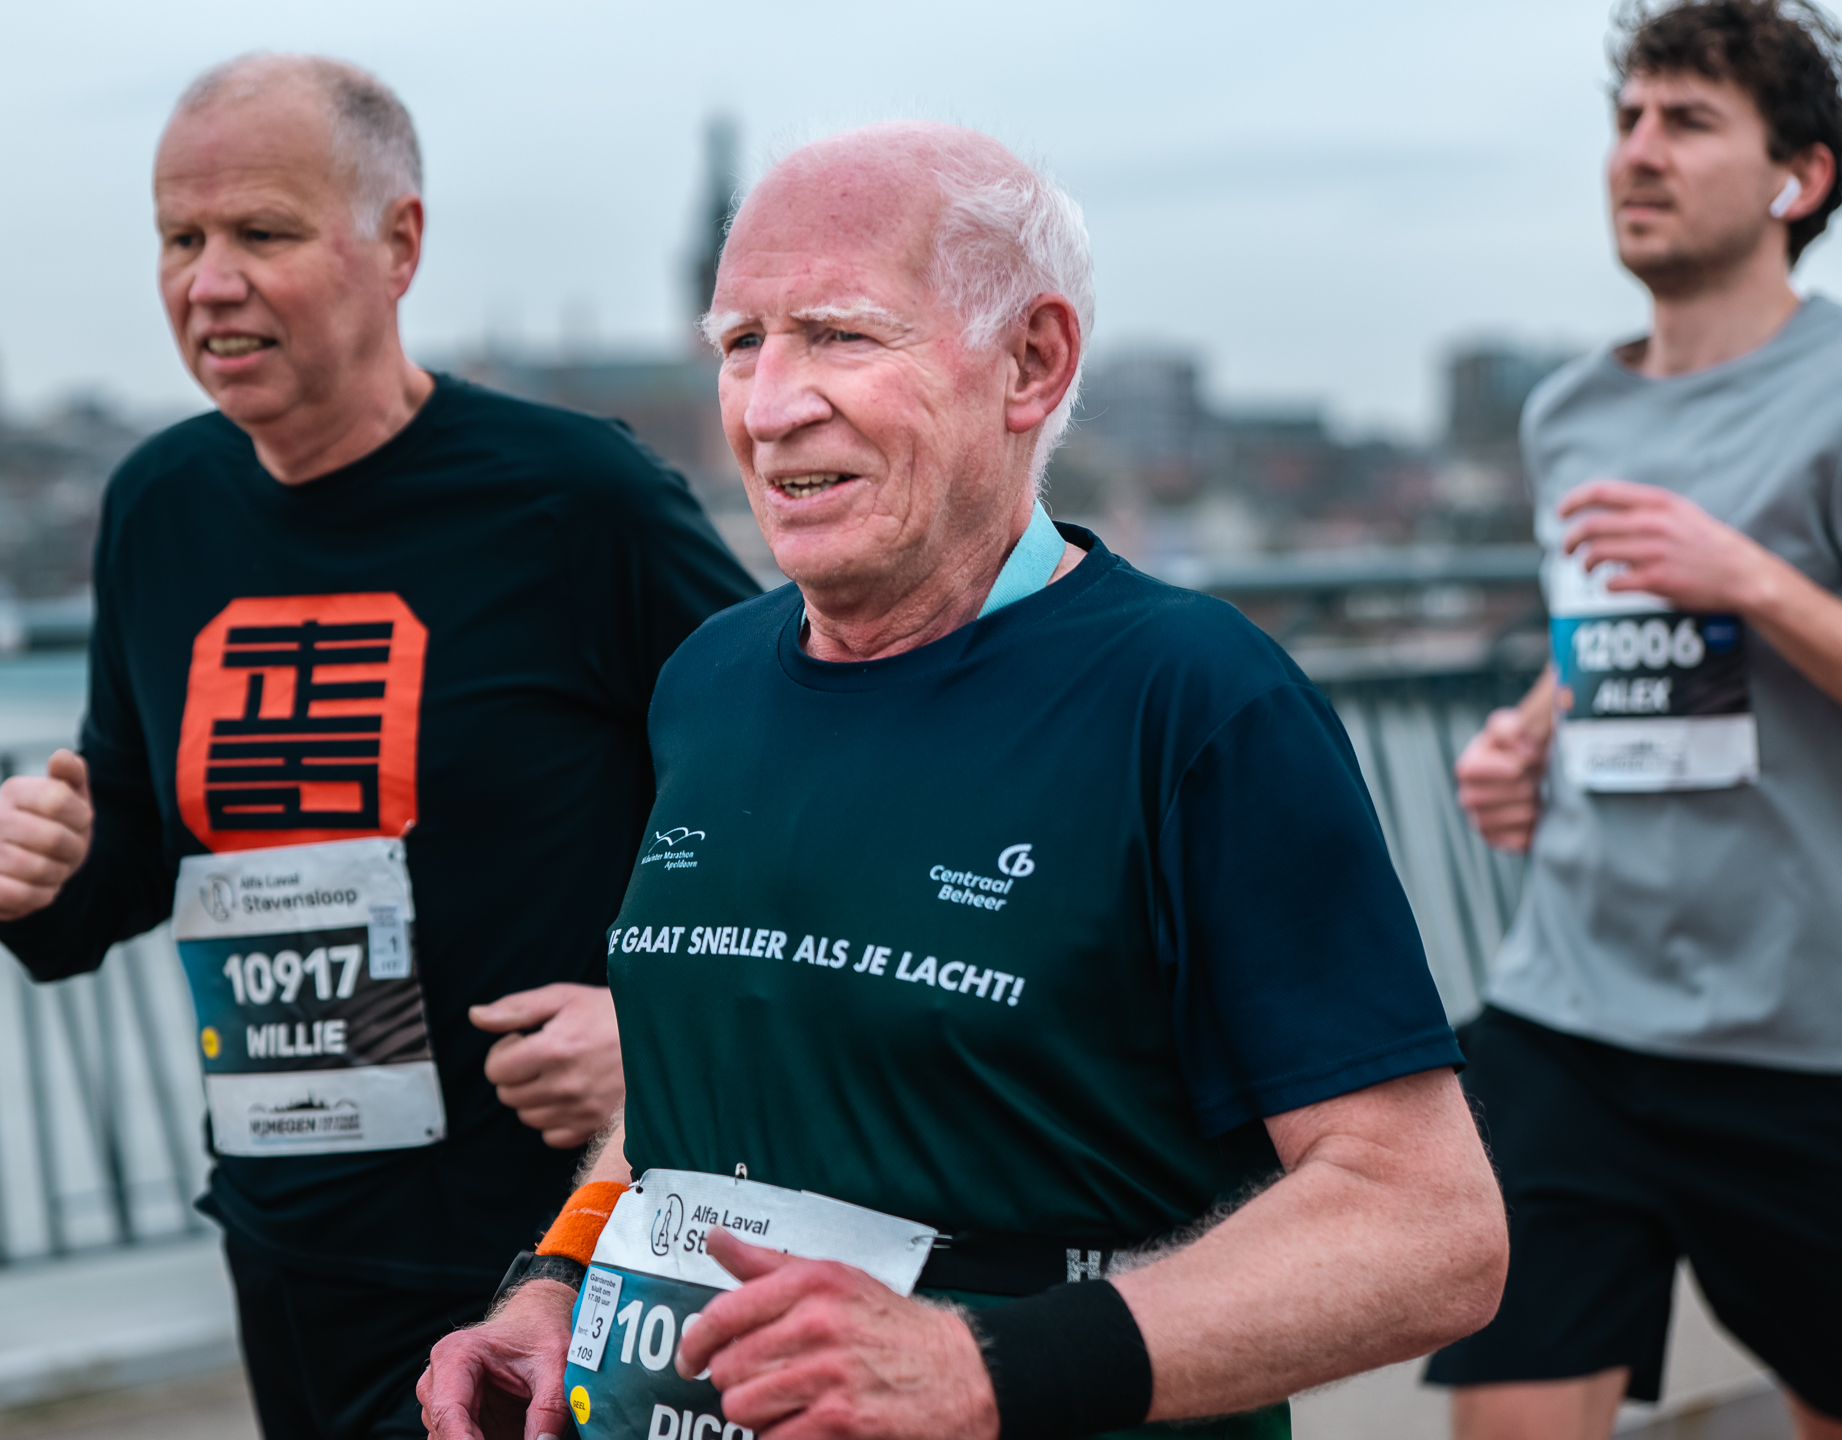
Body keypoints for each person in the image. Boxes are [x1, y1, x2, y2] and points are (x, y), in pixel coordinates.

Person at [418, 121, 1507, 1440]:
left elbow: (1429, 1229)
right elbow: (695, 1075)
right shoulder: (707, 680)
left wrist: (976, 1368)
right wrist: (556, 1285)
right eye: (742, 343)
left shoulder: (1196, 701)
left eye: (840, 335)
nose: (768, 407)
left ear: (1032, 364)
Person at [0, 54, 756, 1440]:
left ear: (399, 245)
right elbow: (137, 848)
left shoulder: (579, 503)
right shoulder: (159, 505)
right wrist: (40, 876)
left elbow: (793, 797)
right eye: (179, 238)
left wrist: (655, 1034)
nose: (210, 282)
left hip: (553, 1252)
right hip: (288, 1239)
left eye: (262, 233)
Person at [1427, 5, 1842, 1438]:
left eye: (1690, 122)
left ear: (1801, 178)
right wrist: (1528, 735)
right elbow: (1610, 631)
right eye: (1628, 120)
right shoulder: (1567, 415)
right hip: (1572, 1014)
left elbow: (1721, 594)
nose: (1639, 153)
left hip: (1805, 1044)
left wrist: (1752, 577)